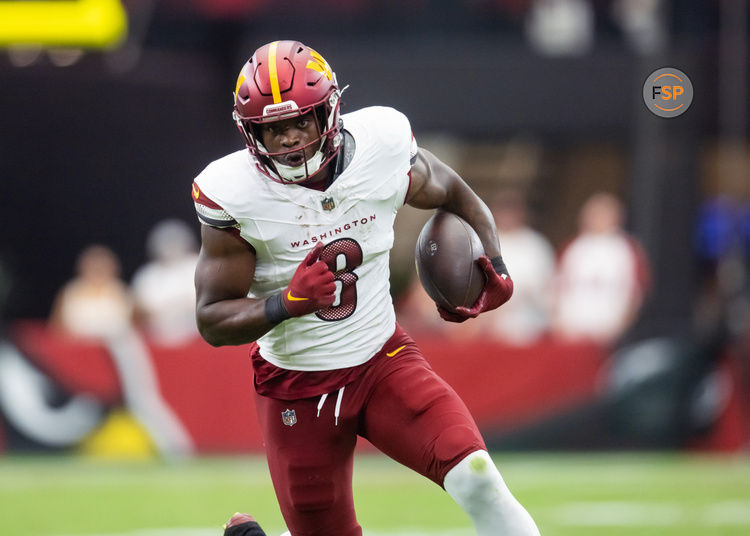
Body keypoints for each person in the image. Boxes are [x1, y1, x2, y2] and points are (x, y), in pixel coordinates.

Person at [193, 40, 540, 536]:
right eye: (273, 129)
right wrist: (287, 303)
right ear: (251, 134)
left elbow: (453, 189)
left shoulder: (381, 144)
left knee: (479, 478)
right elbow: (211, 319)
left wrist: (495, 261)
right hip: (297, 387)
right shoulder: (235, 192)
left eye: (300, 122)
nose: (289, 140)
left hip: (384, 363)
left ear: (330, 112)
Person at [552, 191, 650, 345]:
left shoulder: (627, 249)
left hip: (610, 332)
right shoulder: (573, 247)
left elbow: (636, 291)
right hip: (573, 331)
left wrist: (621, 326)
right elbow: (556, 286)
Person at [478, 189, 556, 345]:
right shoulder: (481, 244)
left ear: (521, 213)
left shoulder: (535, 245)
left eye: (511, 211)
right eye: (503, 211)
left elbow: (546, 291)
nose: (507, 217)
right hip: (486, 326)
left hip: (527, 324)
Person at [131, 219, 200, 346]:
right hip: (157, 341)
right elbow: (139, 311)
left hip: (196, 339)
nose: (170, 248)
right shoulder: (147, 275)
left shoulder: (197, 266)